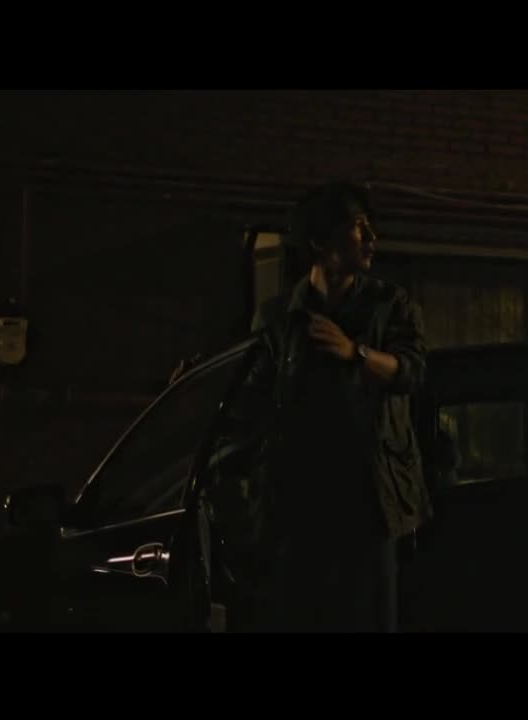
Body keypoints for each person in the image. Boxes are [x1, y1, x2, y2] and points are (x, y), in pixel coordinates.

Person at [215, 180, 431, 633]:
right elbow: (250, 404)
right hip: (299, 508)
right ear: (319, 239)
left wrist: (356, 353)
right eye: (358, 226)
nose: (371, 238)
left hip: (369, 506)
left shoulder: (388, 304)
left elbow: (412, 371)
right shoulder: (279, 317)